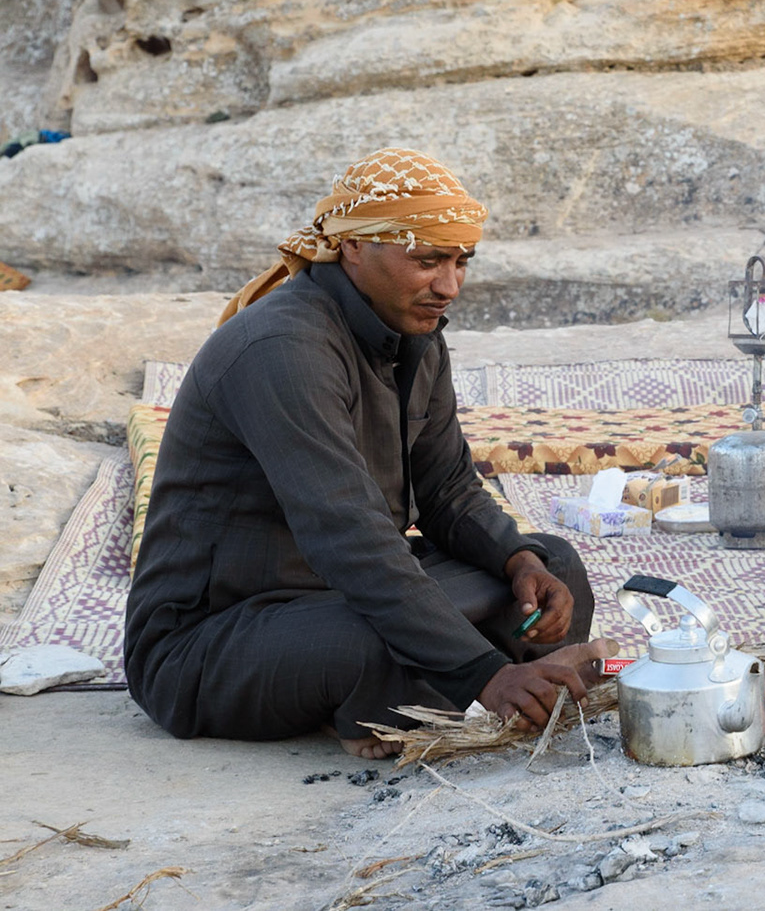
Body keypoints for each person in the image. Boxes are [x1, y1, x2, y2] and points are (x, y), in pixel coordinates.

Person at [125, 148, 601, 758]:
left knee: (552, 567)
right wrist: (486, 673)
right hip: (211, 641)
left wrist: (518, 563)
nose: (449, 285)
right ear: (352, 247)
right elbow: (349, 535)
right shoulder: (281, 347)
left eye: (460, 262)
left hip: (339, 592)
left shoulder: (417, 332)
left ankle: (407, 696)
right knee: (375, 638)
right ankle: (443, 690)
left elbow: (449, 491)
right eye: (427, 260)